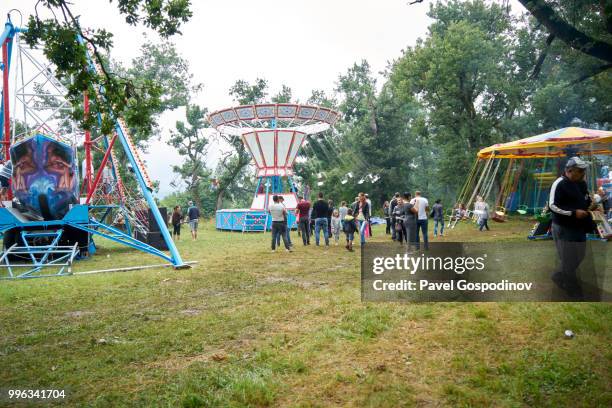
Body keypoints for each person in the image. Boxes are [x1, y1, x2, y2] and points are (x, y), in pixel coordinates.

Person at [549, 157, 595, 297]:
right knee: (569, 258)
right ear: (569, 171)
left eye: (584, 171)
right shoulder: (559, 183)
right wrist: (573, 213)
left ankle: (558, 276)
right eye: (580, 171)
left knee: (579, 255)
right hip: (564, 227)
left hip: (579, 227)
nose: (583, 174)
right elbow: (552, 206)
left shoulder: (581, 184)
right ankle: (573, 289)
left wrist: (593, 205)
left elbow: (585, 200)